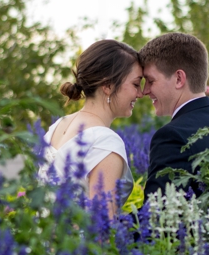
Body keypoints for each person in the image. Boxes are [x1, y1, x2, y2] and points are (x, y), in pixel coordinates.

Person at [38, 39, 143, 217]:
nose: (140, 93)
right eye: (135, 84)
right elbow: (100, 230)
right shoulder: (105, 141)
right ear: (108, 85)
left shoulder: (57, 126)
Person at [139, 32, 209, 200]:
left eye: (151, 81)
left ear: (179, 79)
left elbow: (156, 215)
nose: (145, 91)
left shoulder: (172, 136)